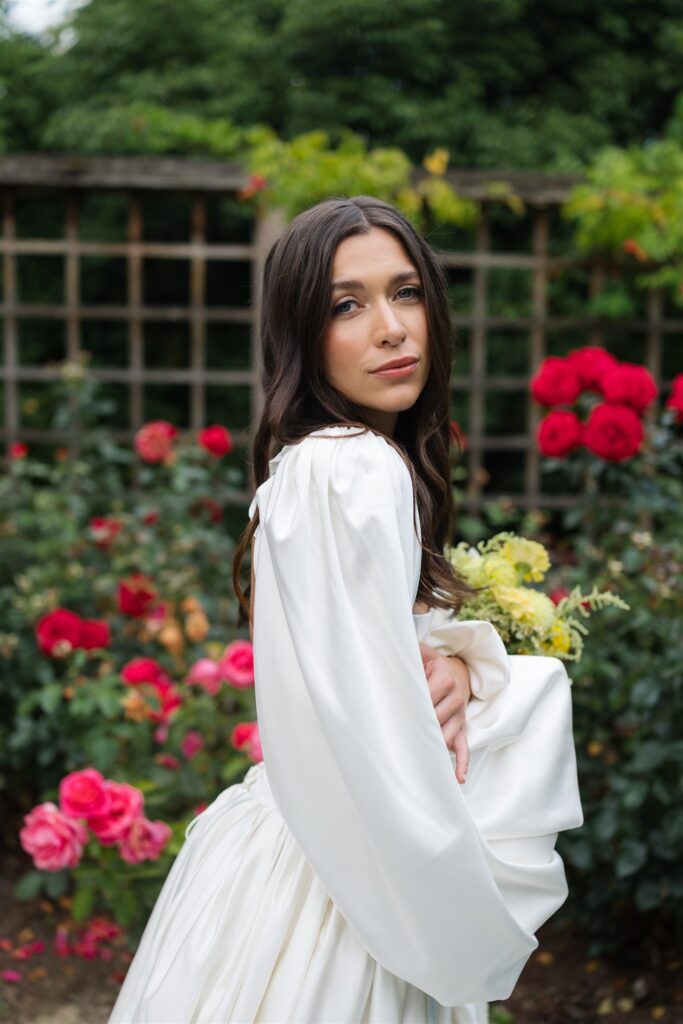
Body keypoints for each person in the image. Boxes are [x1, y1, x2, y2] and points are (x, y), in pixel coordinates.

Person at [108, 195, 583, 1024]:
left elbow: (350, 668)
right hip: (348, 876)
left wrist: (454, 659)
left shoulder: (303, 469)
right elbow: (374, 737)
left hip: (280, 852)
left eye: (405, 293)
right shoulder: (358, 469)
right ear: (302, 334)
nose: (392, 328)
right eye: (346, 305)